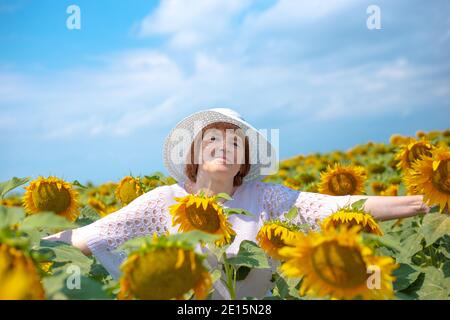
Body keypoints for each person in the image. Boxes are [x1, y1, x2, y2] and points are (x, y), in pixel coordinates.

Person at [43, 108, 431, 299]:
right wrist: (28, 245)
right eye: (212, 140)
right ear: (194, 154)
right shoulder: (164, 201)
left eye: (234, 143)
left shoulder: (265, 198)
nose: (224, 148)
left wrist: (417, 203)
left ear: (245, 161)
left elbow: (336, 207)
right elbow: (92, 235)